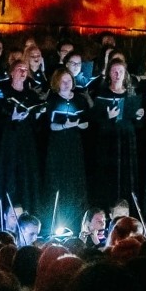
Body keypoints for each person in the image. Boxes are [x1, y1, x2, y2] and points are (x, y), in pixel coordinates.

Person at [0, 60, 43, 223]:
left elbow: (37, 125)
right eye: (19, 69)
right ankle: (7, 217)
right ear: (12, 73)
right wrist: (11, 118)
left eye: (25, 69)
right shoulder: (3, 94)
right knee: (9, 176)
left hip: (26, 142)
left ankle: (28, 215)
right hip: (9, 143)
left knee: (26, 176)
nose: (23, 72)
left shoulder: (31, 95)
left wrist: (37, 115)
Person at [90, 59, 143, 211]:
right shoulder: (102, 94)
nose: (117, 74)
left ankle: (127, 210)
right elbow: (95, 123)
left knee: (127, 174)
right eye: (114, 71)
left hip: (127, 139)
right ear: (109, 74)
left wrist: (139, 116)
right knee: (110, 175)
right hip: (109, 141)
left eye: (120, 71)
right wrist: (108, 117)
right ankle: (110, 210)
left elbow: (138, 124)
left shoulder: (131, 94)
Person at [44, 68, 90, 231]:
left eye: (69, 81)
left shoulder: (79, 99)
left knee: (74, 181)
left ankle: (76, 221)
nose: (66, 84)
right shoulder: (52, 100)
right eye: (63, 81)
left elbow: (86, 122)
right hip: (58, 145)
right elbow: (49, 125)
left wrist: (80, 124)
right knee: (58, 180)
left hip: (74, 144)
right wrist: (64, 125)